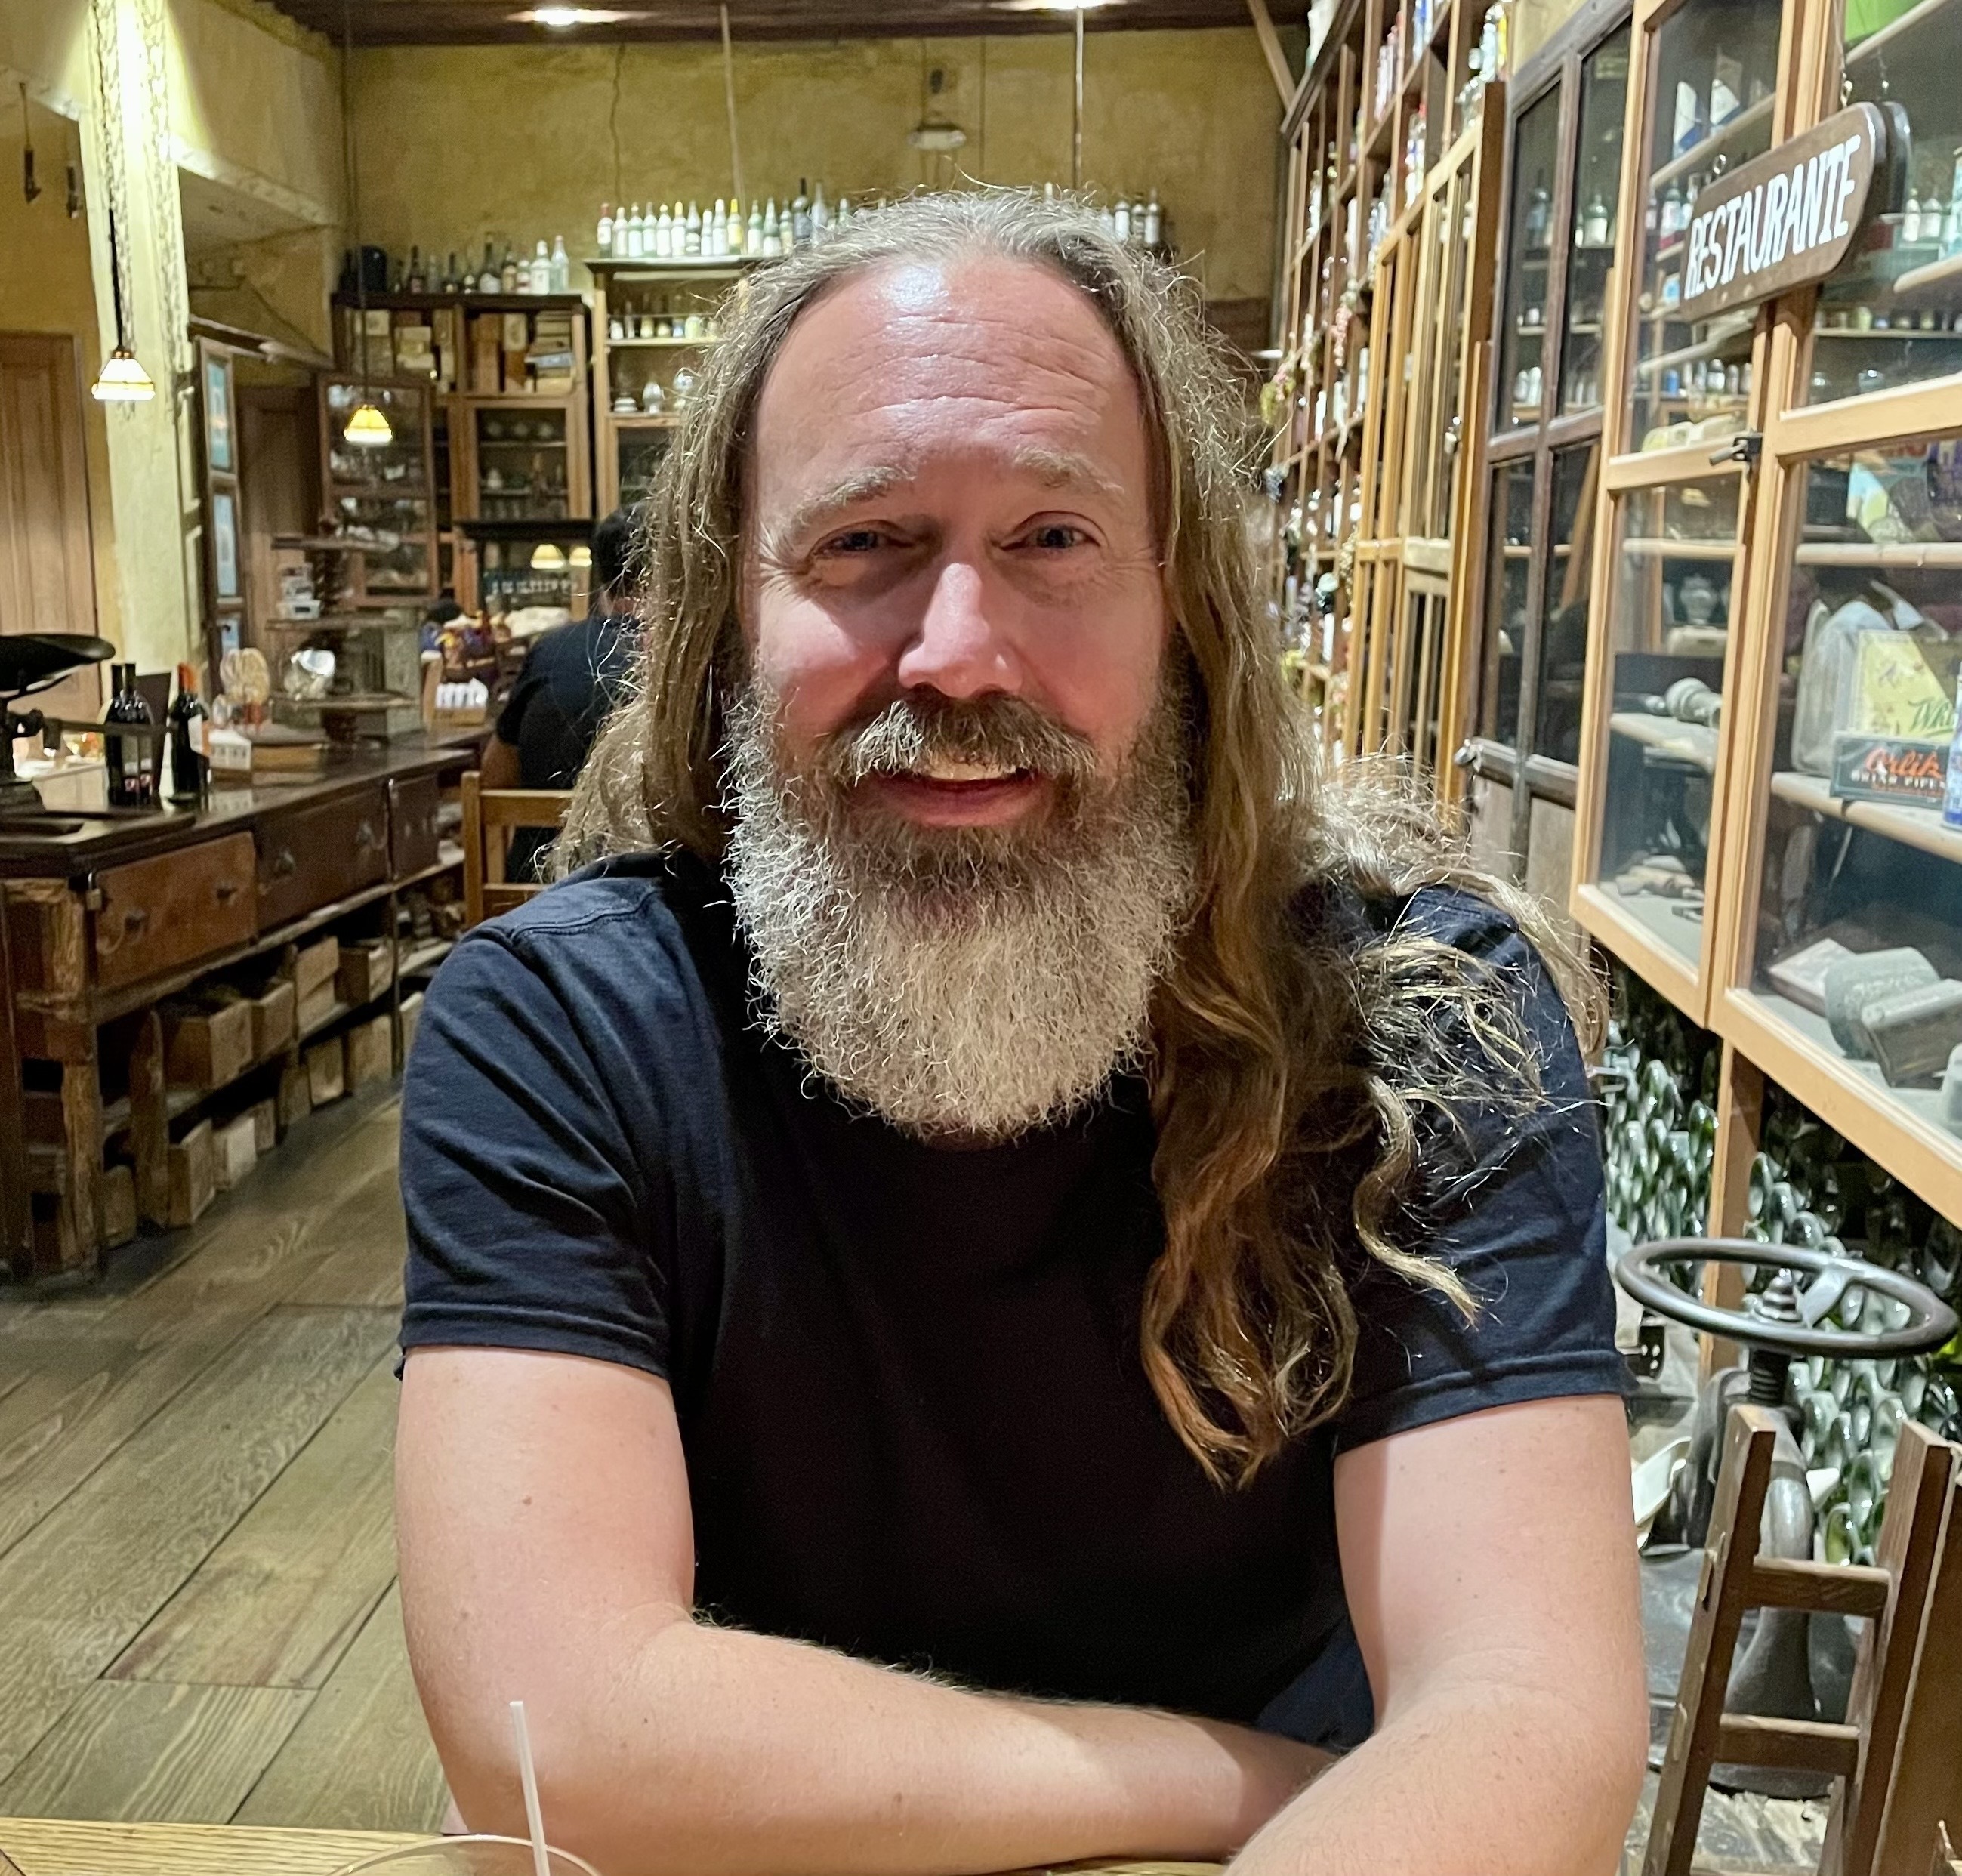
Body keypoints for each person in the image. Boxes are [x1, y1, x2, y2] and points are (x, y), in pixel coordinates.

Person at [397, 193, 1646, 1876]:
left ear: (1182, 612)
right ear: (724, 628)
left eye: (1055, 539)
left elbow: (1525, 1717)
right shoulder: (560, 1030)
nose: (960, 650)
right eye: (864, 544)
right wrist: (1226, 1781)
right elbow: (554, 1728)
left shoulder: (1425, 1027)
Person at [480, 506, 642, 877]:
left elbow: (494, 777)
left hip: (534, 891)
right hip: (632, 895)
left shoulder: (550, 651)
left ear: (602, 579)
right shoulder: (679, 658)